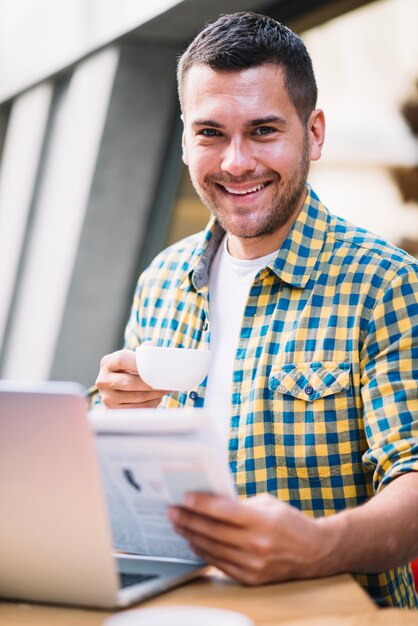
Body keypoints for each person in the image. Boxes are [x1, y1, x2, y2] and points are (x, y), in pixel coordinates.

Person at [95, 12, 418, 608]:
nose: (236, 162)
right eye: (210, 133)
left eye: (264, 130)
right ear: (186, 136)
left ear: (314, 133)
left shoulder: (386, 284)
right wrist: (111, 414)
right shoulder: (162, 279)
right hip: (179, 611)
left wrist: (320, 544)